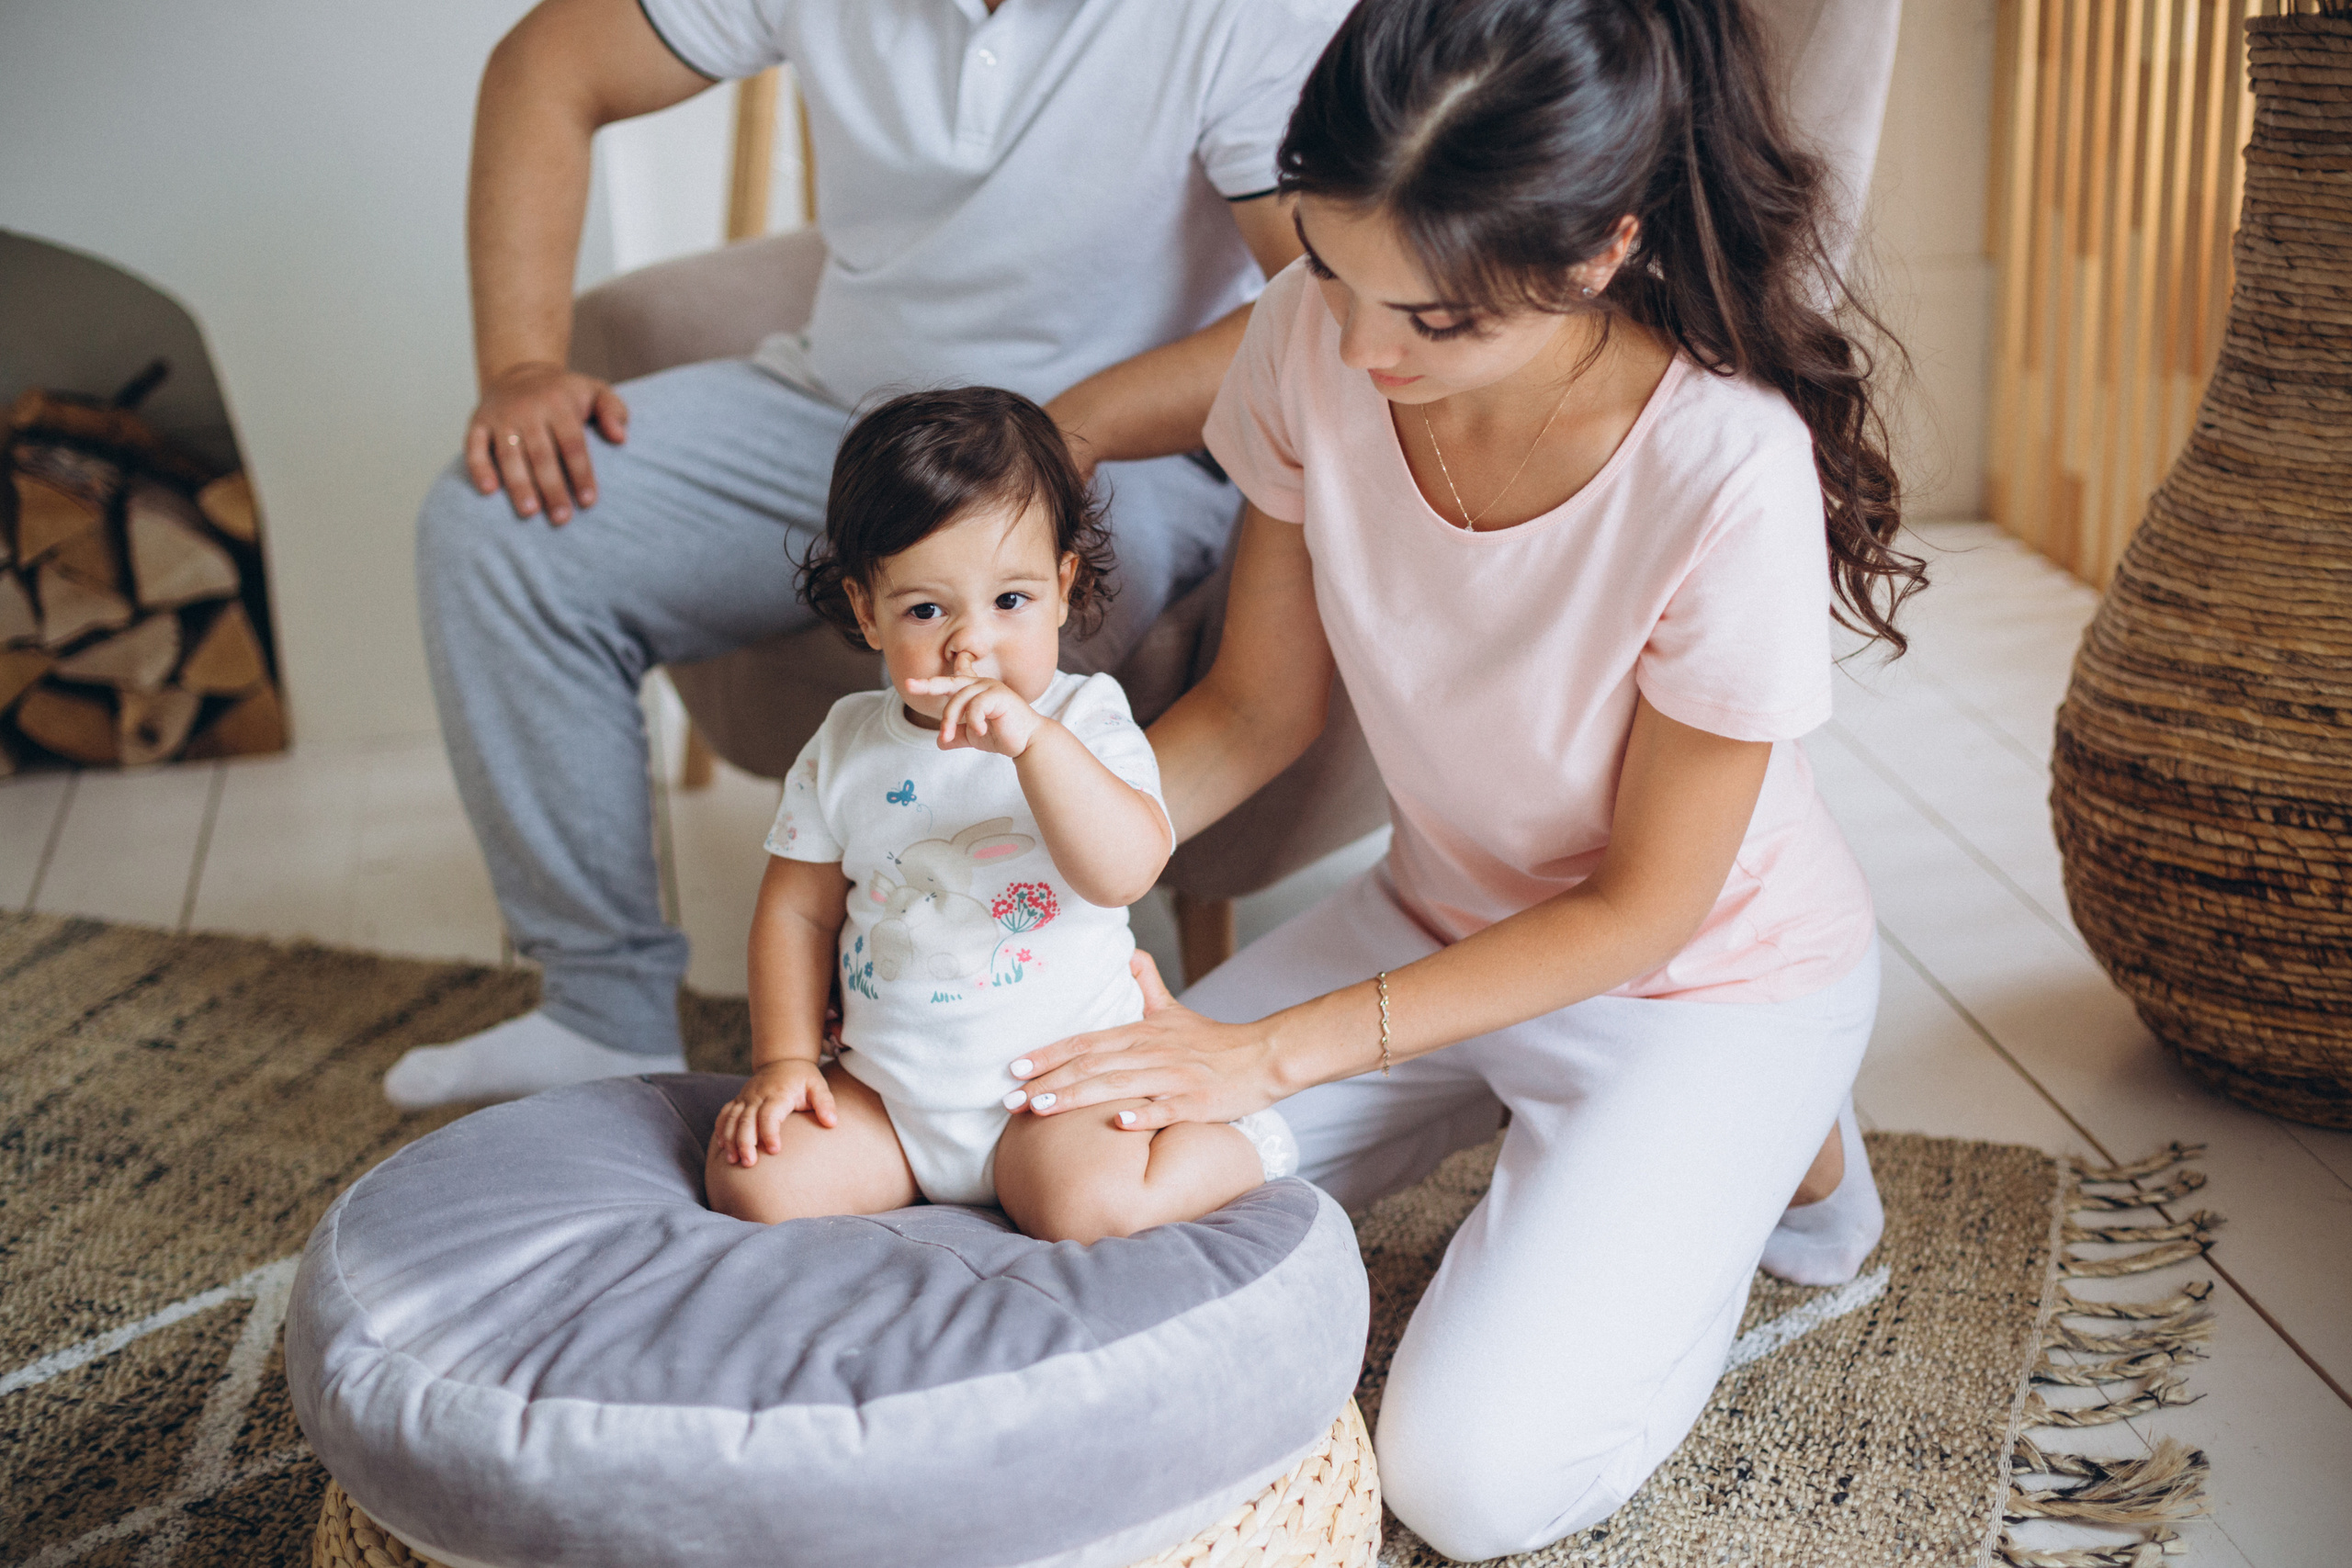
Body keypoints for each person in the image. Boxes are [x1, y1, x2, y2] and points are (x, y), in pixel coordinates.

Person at [994, 0, 1928, 1556]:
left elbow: (1637, 913)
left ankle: (1790, 1125)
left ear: (1596, 253)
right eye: (1335, 268)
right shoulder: (1318, 335)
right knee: (1066, 1169)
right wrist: (1010, 848)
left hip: (1693, 980)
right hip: (1436, 921)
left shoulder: (1724, 469)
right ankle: (1608, 1140)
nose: (1360, 351)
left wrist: (1269, 1059)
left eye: (1433, 321)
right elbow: (1253, 712)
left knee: (1467, 1484)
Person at [384, 0, 1348, 1110]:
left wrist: (1049, 444)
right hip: (838, 415)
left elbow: (1312, 297)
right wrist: (517, 368)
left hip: (1116, 444)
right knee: (496, 528)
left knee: (1007, 626)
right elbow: (544, 65)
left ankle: (976, 1025)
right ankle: (601, 1014)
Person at [703, 388, 1295, 1241]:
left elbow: (1125, 868)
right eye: (926, 609)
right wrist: (786, 1060)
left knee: (1088, 1207)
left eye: (1009, 602)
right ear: (867, 610)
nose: (969, 643)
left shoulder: (1088, 719)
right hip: (891, 1098)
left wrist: (1036, 746)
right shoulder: (844, 746)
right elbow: (795, 910)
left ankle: (1242, 1146)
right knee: (754, 1179)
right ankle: (903, 1189)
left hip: (1058, 1091)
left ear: (1062, 588)